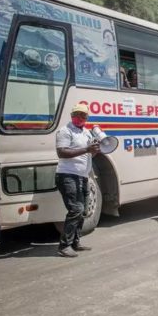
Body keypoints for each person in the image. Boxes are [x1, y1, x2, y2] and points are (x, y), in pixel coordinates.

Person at [55, 104, 101, 257]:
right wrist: (87, 149)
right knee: (76, 209)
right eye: (78, 114)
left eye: (84, 115)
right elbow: (61, 152)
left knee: (84, 210)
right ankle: (64, 246)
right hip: (67, 175)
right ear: (72, 115)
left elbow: (88, 155)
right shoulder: (65, 131)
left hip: (83, 176)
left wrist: (93, 151)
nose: (81, 117)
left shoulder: (86, 132)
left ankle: (75, 242)